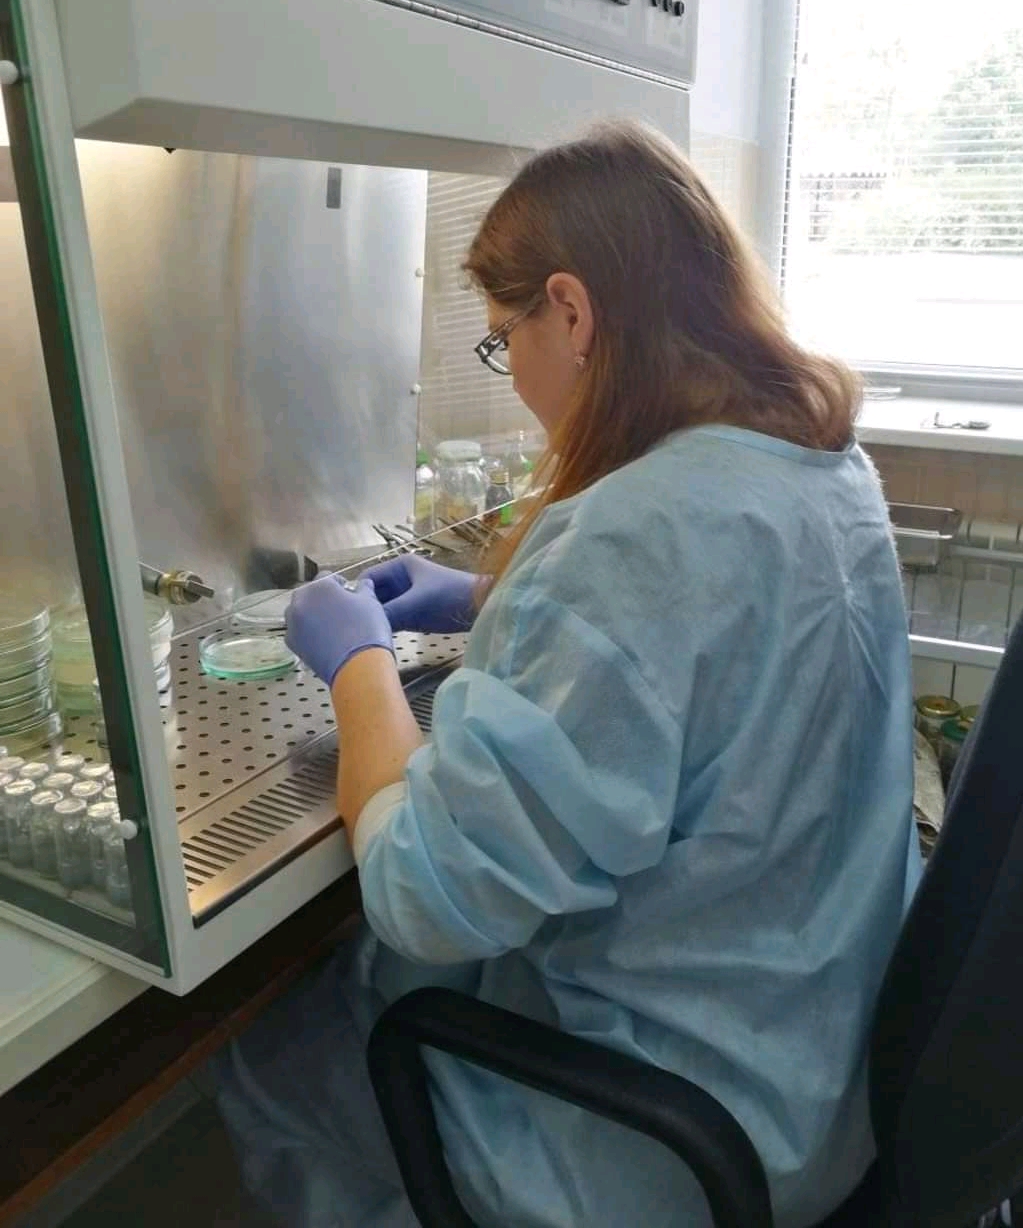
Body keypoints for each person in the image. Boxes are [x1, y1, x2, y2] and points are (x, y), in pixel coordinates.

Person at [216, 122, 921, 1228]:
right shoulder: (823, 464)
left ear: (573, 312)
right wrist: (491, 600)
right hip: (821, 1077)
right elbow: (718, 649)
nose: (512, 373)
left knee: (273, 1062)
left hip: (668, 1143)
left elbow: (420, 893)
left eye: (505, 338)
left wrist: (357, 663)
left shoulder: (634, 534)